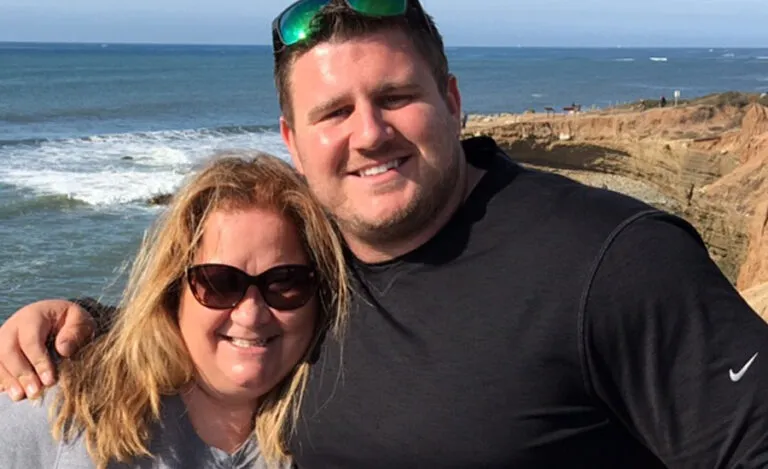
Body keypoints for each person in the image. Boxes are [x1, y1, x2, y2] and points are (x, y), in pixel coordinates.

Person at [3, 0, 768, 466]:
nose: (368, 134)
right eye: (333, 112)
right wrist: (78, 318)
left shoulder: (612, 259)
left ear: (454, 100)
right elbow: (226, 306)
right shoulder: (315, 262)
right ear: (293, 140)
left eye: (396, 97)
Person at [0, 152, 349, 468]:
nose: (251, 314)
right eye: (218, 282)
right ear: (172, 292)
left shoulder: (337, 434)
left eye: (285, 282)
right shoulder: (63, 415)